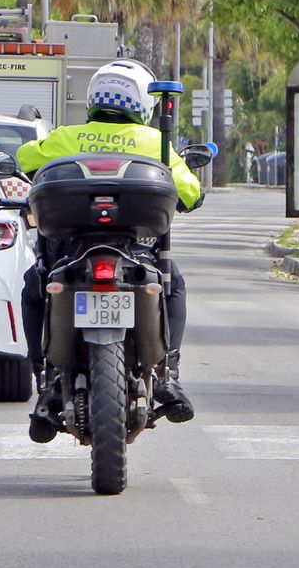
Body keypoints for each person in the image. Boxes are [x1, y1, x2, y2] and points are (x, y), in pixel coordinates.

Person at [17, 59, 204, 441]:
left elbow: (24, 161)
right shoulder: (156, 142)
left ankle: (42, 375)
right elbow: (190, 192)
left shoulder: (67, 137)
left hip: (70, 250)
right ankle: (170, 371)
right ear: (142, 104)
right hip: (138, 250)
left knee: (34, 286)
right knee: (174, 286)